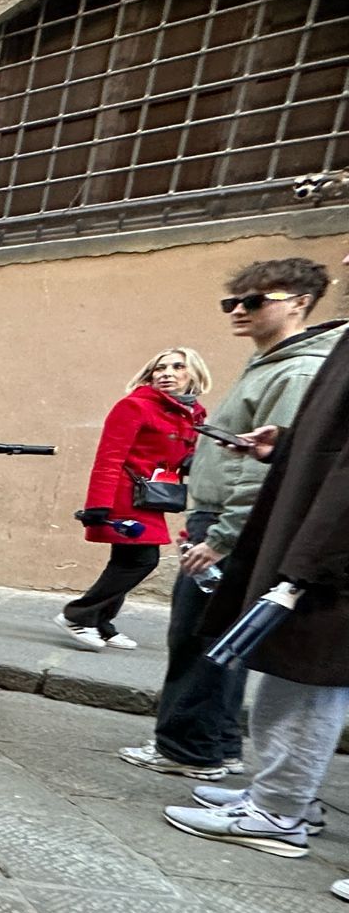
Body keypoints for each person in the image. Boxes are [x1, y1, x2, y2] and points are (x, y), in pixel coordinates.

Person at [123, 258, 342, 780]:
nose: (239, 311)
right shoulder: (272, 363)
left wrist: (222, 537)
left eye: (255, 301)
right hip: (221, 521)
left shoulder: (297, 370)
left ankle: (189, 751)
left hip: (229, 527)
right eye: (233, 302)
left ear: (299, 303)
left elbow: (265, 472)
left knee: (198, 638)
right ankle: (215, 747)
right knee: (214, 638)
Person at [169, 285, 348, 867]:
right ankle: (284, 796)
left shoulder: (305, 360)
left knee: (305, 678)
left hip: (328, 555)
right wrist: (287, 447)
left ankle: (277, 812)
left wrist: (305, 563)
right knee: (292, 676)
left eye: (254, 298)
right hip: (314, 541)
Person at [56, 349, 210, 649]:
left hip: (151, 497)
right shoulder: (134, 406)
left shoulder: (191, 413)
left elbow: (179, 455)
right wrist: (98, 504)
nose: (166, 373)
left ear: (193, 374)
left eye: (177, 367)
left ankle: (101, 622)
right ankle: (77, 615)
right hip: (124, 493)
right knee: (143, 559)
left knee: (126, 560)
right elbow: (109, 455)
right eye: (159, 368)